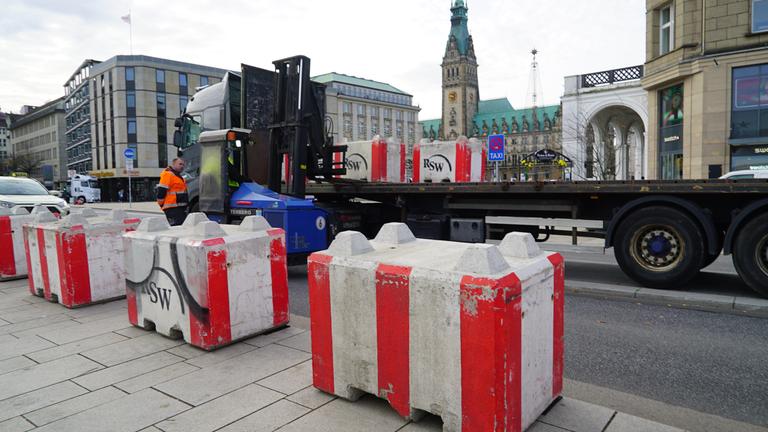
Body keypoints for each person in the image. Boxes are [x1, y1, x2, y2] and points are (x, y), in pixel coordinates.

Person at [156, 158, 189, 226]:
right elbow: (161, 191)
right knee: (176, 229)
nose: (182, 166)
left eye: (183, 165)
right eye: (180, 164)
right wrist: (161, 204)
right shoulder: (168, 174)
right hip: (172, 209)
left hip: (179, 208)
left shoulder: (178, 176)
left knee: (180, 228)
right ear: (173, 164)